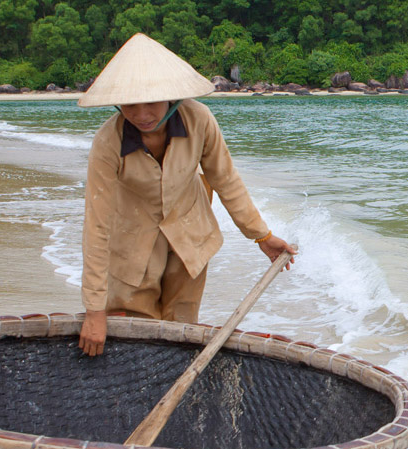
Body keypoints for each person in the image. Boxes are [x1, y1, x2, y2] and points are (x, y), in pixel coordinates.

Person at [76, 33, 296, 356]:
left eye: (151, 101)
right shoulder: (107, 143)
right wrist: (94, 311)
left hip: (189, 242)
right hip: (129, 250)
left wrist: (262, 236)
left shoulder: (200, 121)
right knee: (135, 342)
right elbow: (95, 227)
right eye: (130, 104)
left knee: (180, 336)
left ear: (172, 95)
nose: (141, 114)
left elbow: (226, 180)